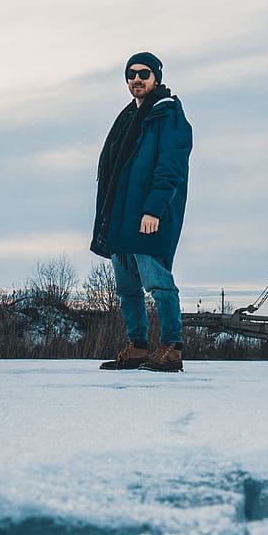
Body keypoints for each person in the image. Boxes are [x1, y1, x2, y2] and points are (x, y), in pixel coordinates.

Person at [91, 52, 192, 373]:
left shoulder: (168, 115)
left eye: (144, 73)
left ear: (157, 78)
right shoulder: (128, 118)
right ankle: (137, 347)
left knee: (159, 284)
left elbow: (170, 168)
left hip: (149, 217)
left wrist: (153, 210)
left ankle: (172, 347)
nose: (137, 79)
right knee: (127, 290)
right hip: (121, 217)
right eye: (131, 74)